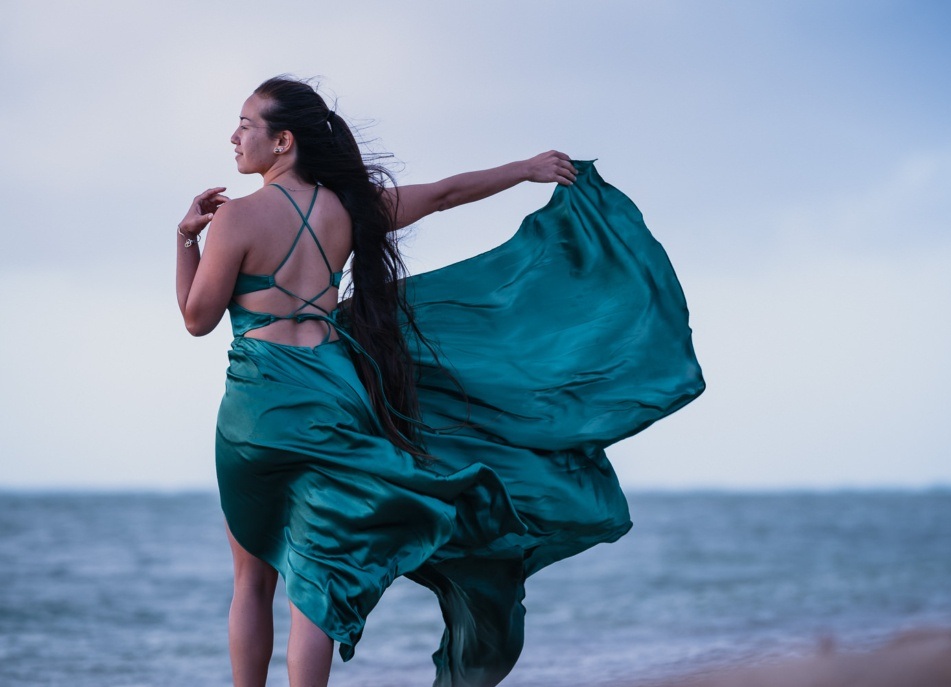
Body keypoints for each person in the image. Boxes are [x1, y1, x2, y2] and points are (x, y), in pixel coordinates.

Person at [177, 75, 704, 687]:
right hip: (332, 398)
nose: (234, 136)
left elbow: (197, 318)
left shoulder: (236, 219)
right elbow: (446, 194)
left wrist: (186, 238)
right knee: (316, 578)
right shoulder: (349, 207)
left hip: (258, 404)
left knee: (251, 580)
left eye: (246, 124)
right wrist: (526, 168)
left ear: (283, 141)